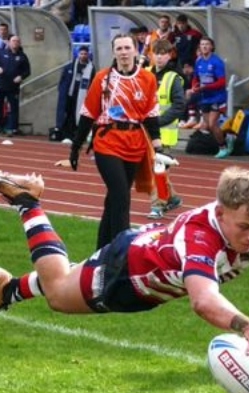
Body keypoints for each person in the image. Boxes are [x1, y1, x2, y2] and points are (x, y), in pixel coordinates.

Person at [0, 168, 249, 378]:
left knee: (71, 279)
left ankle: (7, 289)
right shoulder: (200, 236)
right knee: (59, 292)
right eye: (244, 227)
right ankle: (28, 202)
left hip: (149, 270)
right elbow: (203, 301)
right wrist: (247, 326)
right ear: (221, 211)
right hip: (127, 272)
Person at [67, 33, 163, 249]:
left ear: (135, 50)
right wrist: (75, 147)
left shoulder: (147, 79)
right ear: (113, 52)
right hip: (107, 142)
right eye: (119, 48)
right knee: (121, 196)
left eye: (127, 48)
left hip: (135, 144)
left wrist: (159, 146)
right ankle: (122, 251)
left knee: (113, 201)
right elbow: (88, 113)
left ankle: (102, 250)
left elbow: (151, 115)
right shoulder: (102, 78)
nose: (123, 52)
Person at [147, 39, 185, 220]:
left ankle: (158, 205)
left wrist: (159, 121)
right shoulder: (145, 73)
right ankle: (172, 198)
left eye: (163, 53)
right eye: (157, 53)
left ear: (170, 55)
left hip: (164, 134)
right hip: (145, 132)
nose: (160, 57)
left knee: (158, 171)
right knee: (151, 171)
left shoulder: (173, 78)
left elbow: (179, 105)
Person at [187, 36, 230, 159]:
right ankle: (226, 138)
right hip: (204, 97)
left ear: (212, 47)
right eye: (202, 44)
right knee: (206, 124)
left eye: (207, 44)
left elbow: (222, 82)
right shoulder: (199, 61)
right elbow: (196, 77)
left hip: (217, 97)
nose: (204, 46)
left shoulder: (217, 62)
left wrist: (205, 87)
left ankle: (223, 147)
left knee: (212, 124)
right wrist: (194, 86)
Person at [0, 34, 31, 136]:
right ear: (9, 42)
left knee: (14, 108)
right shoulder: (0, 53)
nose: (15, 43)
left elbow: (27, 71)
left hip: (13, 87)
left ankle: (12, 128)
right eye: (13, 41)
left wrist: (21, 77)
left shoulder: (22, 56)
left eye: (17, 41)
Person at [55, 45, 94, 141]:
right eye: (81, 53)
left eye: (85, 54)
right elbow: (63, 81)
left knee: (79, 116)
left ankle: (77, 135)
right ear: (78, 54)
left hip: (82, 96)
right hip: (70, 95)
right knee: (67, 115)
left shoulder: (91, 69)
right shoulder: (70, 66)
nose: (83, 56)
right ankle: (66, 135)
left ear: (88, 55)